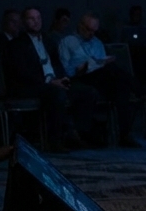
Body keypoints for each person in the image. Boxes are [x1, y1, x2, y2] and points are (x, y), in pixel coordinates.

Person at [2, 8, 98, 152]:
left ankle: (78, 135)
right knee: (56, 94)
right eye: (31, 18)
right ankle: (54, 141)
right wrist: (49, 82)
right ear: (24, 22)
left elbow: (57, 63)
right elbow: (22, 72)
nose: (36, 21)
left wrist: (62, 77)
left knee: (87, 92)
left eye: (38, 18)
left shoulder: (48, 40)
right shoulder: (16, 44)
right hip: (33, 85)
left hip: (54, 82)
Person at [58, 13, 139, 147]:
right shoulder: (67, 41)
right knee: (114, 72)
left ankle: (124, 134)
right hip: (79, 77)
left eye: (94, 31)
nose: (91, 34)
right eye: (88, 30)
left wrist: (99, 63)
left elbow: (102, 65)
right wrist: (84, 66)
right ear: (80, 26)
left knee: (121, 87)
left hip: (100, 78)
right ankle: (141, 89)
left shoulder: (97, 42)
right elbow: (65, 69)